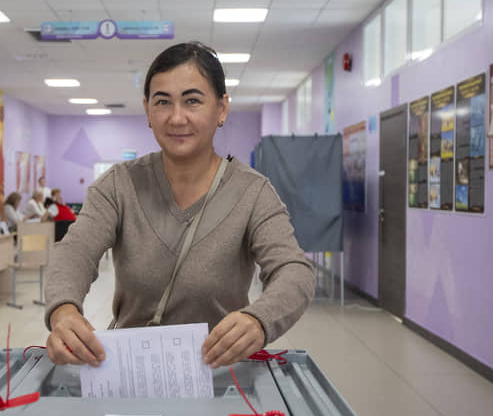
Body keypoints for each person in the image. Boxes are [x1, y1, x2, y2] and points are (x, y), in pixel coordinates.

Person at [44, 41, 314, 372]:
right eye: (162, 102)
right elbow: (75, 252)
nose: (176, 117)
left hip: (219, 374)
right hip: (132, 373)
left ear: (221, 108)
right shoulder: (119, 185)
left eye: (192, 101)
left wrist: (259, 320)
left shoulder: (253, 192)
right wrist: (64, 311)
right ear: (147, 110)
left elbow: (294, 270)